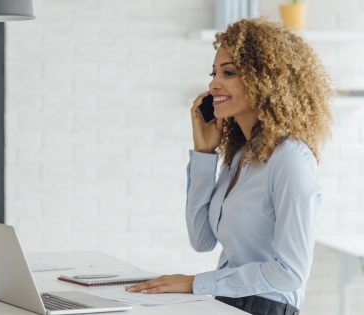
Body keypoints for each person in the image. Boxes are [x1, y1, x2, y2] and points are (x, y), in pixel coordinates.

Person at [125, 17, 333, 315]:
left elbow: (290, 273)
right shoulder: (241, 156)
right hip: (226, 303)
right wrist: (204, 154)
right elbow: (202, 240)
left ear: (265, 79)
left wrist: (196, 283)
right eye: (214, 72)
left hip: (265, 307)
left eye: (229, 72)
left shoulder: (290, 160)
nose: (213, 84)